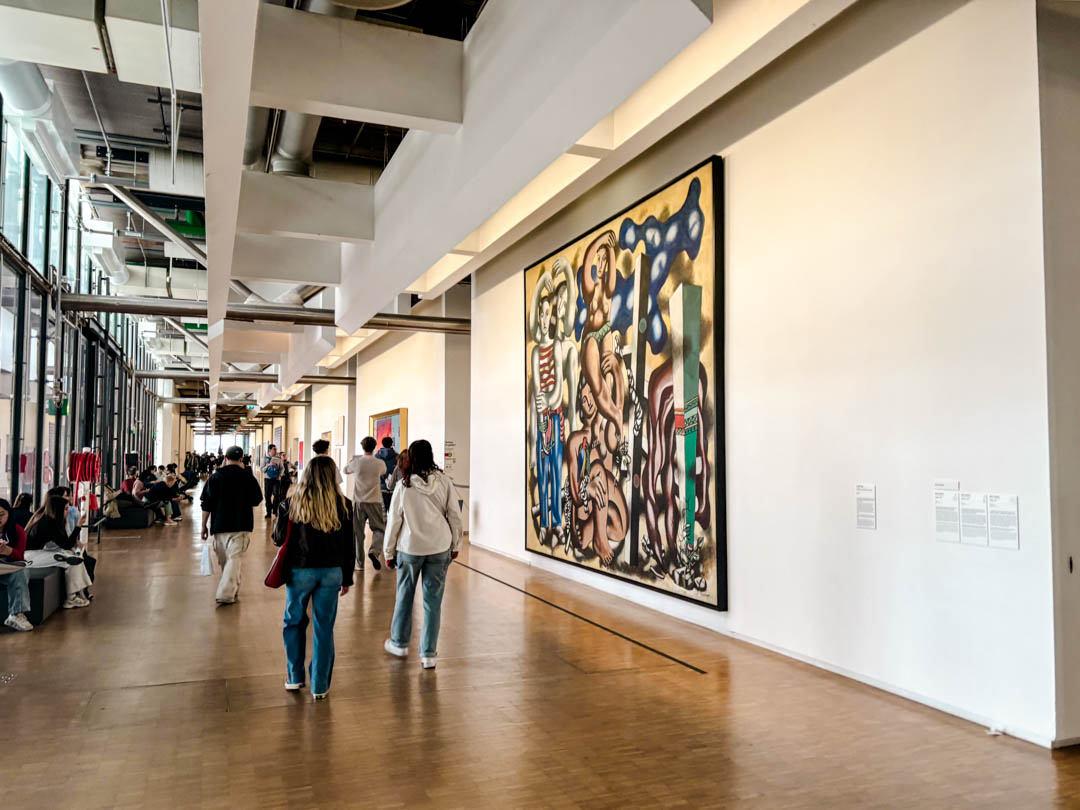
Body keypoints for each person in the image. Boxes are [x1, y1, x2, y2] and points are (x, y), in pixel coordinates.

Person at [273, 455, 354, 700]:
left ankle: (294, 677)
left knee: (294, 621)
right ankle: (319, 685)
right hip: (331, 572)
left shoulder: (291, 504)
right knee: (323, 627)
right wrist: (347, 577)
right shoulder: (344, 505)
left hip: (300, 571)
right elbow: (349, 545)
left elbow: (278, 538)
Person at [383, 439, 463, 670]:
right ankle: (428, 654)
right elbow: (455, 516)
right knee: (433, 602)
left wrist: (389, 551)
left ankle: (399, 642)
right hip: (439, 547)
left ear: (412, 458)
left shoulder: (404, 485)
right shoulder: (444, 481)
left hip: (410, 548)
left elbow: (394, 521)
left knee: (404, 596)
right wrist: (456, 544)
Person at [201, 445, 264, 605]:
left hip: (220, 525)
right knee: (231, 561)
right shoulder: (248, 477)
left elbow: (206, 504)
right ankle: (231, 589)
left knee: (229, 560)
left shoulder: (215, 477)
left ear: (225, 458)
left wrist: (204, 526)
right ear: (242, 459)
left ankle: (225, 594)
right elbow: (257, 500)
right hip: (241, 523)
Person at [25, 495, 93, 609]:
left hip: (35, 553)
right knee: (70, 560)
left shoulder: (46, 520)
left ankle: (79, 591)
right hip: (30, 556)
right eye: (66, 509)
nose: (68, 512)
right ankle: (71, 597)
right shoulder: (47, 523)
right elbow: (66, 544)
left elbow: (65, 543)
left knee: (72, 558)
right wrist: (78, 526)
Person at [344, 437, 387, 570]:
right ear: (374, 447)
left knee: (358, 533)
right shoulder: (379, 463)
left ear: (362, 447)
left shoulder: (357, 462)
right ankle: (374, 551)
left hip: (359, 501)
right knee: (379, 529)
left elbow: (345, 470)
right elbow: (384, 472)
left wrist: (352, 461)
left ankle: (360, 563)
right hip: (375, 500)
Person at [0, 498, 33, 631]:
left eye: (1, 515)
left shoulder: (18, 531)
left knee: (22, 570)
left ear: (9, 514)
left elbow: (20, 556)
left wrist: (9, 551)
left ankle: (16, 614)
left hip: (7, 567)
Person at [375, 437, 398, 511]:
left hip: (381, 488)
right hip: (394, 488)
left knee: (382, 515)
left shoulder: (376, 457)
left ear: (382, 444)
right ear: (392, 444)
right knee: (393, 513)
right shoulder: (398, 457)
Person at [263, 445, 282, 518]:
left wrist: (280, 475)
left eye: (276, 449)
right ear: (269, 450)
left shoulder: (278, 459)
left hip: (276, 480)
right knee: (267, 496)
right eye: (274, 449)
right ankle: (268, 512)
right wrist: (268, 465)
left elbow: (282, 468)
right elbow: (262, 470)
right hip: (268, 480)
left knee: (277, 495)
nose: (276, 450)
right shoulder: (264, 459)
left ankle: (275, 510)